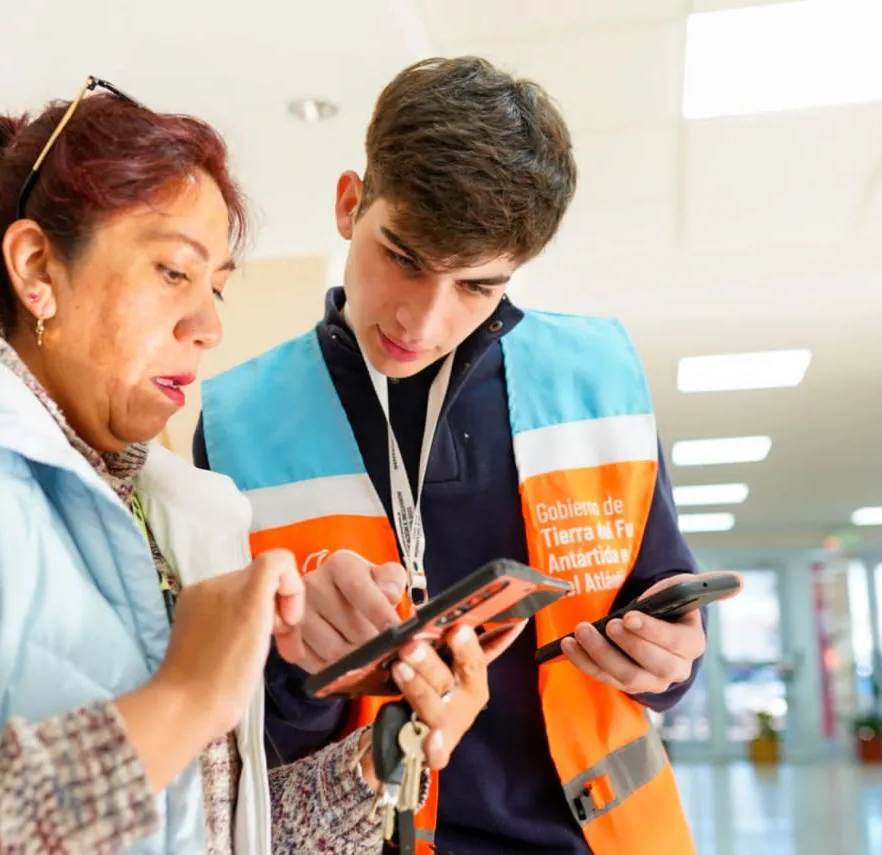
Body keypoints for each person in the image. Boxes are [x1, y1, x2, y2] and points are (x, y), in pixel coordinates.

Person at [0, 78, 501, 854]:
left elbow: (203, 827)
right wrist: (179, 701)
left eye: (217, 288)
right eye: (173, 272)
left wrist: (392, 751)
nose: (208, 326)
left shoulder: (166, 516)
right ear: (35, 268)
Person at [195, 57, 731, 854]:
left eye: (476, 285)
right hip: (365, 834)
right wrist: (300, 669)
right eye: (403, 257)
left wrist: (669, 658)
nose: (423, 318)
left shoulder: (600, 377)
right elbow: (237, 725)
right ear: (350, 204)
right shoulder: (237, 419)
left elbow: (662, 605)